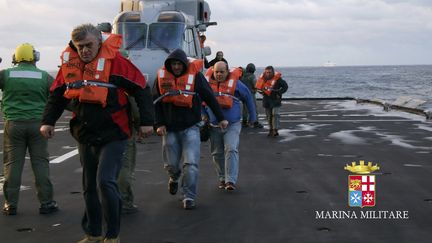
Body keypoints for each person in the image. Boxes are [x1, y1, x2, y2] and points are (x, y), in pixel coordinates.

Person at [40, 24, 154, 243]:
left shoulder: (116, 63)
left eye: (88, 45)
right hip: (85, 133)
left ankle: (112, 235)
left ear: (99, 42)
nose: (84, 50)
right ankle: (93, 233)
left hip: (114, 133)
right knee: (89, 186)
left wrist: (147, 122)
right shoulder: (70, 66)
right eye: (79, 46)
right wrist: (48, 122)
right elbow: (57, 95)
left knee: (105, 181)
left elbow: (140, 88)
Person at [153, 49, 228, 209]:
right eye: (173, 64)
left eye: (179, 64)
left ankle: (188, 196)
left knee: (191, 164)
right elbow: (155, 102)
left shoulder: (196, 77)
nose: (176, 67)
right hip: (170, 128)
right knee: (172, 164)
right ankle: (174, 177)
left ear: (185, 65)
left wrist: (221, 118)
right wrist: (158, 124)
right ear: (169, 65)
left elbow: (209, 97)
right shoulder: (160, 77)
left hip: (191, 127)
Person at [0, 43, 58, 216]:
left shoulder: (6, 74)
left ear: (16, 57)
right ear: (34, 57)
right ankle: (47, 203)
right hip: (38, 125)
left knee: (12, 165)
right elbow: (58, 96)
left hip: (14, 125)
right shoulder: (43, 76)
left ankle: (11, 205)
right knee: (40, 164)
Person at [204, 61, 256, 190]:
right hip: (213, 125)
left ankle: (230, 181)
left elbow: (248, 98)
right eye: (216, 72)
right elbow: (197, 100)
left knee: (231, 148)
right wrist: (202, 114)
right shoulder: (206, 85)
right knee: (217, 153)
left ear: (227, 71)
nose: (219, 74)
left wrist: (252, 117)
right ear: (213, 71)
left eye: (222, 71)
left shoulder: (237, 84)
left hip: (233, 124)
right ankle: (222, 178)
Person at [255, 66, 288, 137]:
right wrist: (261, 92)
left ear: (273, 72)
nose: (268, 74)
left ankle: (275, 130)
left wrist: (279, 92)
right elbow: (258, 88)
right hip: (266, 100)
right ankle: (270, 129)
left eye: (270, 72)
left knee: (275, 114)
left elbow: (285, 86)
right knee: (268, 116)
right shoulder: (262, 79)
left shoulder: (278, 79)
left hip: (276, 100)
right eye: (267, 72)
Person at [241, 63, 263, 128]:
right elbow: (255, 85)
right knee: (253, 108)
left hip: (243, 94)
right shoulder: (252, 76)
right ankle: (255, 122)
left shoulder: (243, 76)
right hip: (251, 94)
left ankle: (244, 122)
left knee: (245, 109)